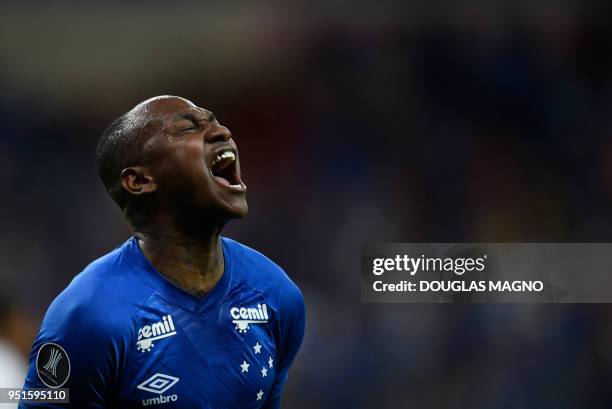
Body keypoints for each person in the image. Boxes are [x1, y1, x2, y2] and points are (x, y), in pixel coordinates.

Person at [19, 96, 306, 408]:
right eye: (188, 128)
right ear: (139, 180)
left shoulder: (275, 293)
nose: (222, 132)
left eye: (215, 120)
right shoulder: (88, 316)